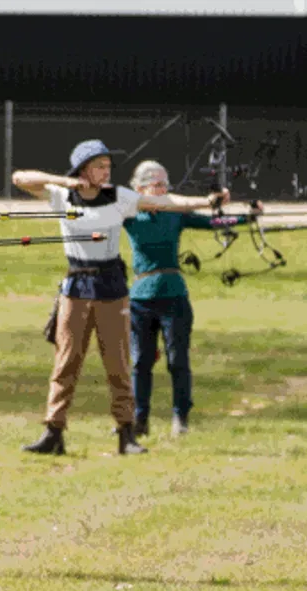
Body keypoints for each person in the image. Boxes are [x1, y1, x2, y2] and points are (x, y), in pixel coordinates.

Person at [10, 140, 225, 456]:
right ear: (84, 169)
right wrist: (66, 181)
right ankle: (53, 433)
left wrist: (206, 202)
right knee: (66, 362)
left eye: (108, 166)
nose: (107, 171)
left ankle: (127, 435)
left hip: (111, 287)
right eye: (100, 166)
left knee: (118, 363)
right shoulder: (60, 195)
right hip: (76, 286)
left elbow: (167, 201)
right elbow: (20, 177)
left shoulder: (120, 197)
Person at [123, 160, 260, 439]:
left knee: (178, 360)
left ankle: (180, 417)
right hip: (140, 298)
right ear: (139, 188)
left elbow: (214, 222)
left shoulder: (176, 213)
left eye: (164, 184)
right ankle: (140, 418)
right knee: (141, 362)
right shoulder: (130, 213)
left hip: (173, 295)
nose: (161, 189)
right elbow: (96, 213)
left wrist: (247, 217)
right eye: (154, 184)